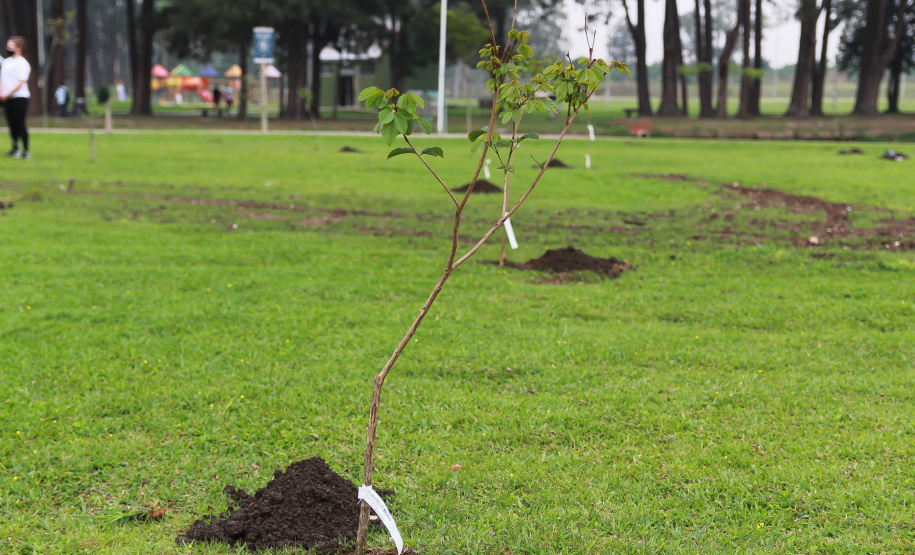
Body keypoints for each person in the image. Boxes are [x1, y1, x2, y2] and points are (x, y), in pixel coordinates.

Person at [0, 36, 31, 160]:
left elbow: (21, 81)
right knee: (11, 124)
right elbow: (2, 79)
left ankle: (25, 150)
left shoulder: (22, 63)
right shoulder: (6, 62)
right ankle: (15, 148)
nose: (9, 48)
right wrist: (2, 93)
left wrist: (8, 94)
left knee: (20, 123)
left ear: (19, 47)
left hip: (19, 97)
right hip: (6, 98)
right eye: (8, 46)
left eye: (11, 46)